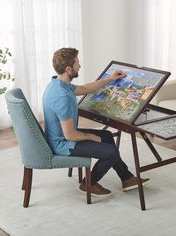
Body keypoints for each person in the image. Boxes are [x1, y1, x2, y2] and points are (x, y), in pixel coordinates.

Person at [43, 47, 150, 197]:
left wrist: (111, 79)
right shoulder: (62, 97)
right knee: (111, 152)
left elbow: (86, 88)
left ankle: (126, 178)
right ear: (68, 69)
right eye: (77, 63)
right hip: (62, 144)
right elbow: (70, 135)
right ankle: (89, 184)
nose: (79, 66)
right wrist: (93, 138)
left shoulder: (58, 85)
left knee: (106, 135)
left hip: (60, 137)